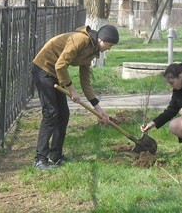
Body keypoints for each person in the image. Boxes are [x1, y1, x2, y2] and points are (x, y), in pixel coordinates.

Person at [32, 24, 119, 169]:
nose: (109, 48)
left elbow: (85, 82)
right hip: (43, 69)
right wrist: (72, 89)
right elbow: (60, 65)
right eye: (109, 45)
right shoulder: (81, 40)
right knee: (51, 114)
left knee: (63, 114)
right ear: (101, 40)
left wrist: (98, 109)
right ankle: (40, 159)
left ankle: (56, 156)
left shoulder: (92, 51)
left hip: (55, 74)